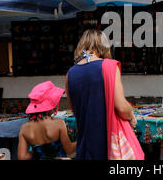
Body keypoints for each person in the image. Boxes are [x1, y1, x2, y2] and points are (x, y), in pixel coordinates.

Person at [65, 29, 140, 160]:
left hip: (84, 145)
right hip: (107, 146)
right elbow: (122, 107)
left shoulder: (70, 73)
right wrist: (131, 115)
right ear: (103, 46)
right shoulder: (109, 66)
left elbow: (74, 109)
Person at [18, 81, 76, 160]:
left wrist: (38, 151)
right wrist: (82, 139)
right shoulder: (59, 123)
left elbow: (22, 157)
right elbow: (69, 150)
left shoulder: (24, 128)